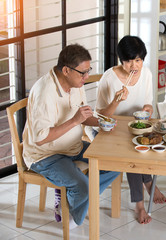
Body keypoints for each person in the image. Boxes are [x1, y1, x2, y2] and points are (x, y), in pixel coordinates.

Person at [22, 44, 125, 228]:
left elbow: (83, 117)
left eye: (88, 71)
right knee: (83, 186)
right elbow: (41, 138)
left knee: (115, 163)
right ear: (66, 70)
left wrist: (101, 123)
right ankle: (72, 215)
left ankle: (73, 197)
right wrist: (75, 121)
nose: (86, 77)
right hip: (45, 156)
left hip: (73, 147)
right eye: (83, 73)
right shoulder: (45, 92)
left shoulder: (76, 83)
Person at [94, 35, 166, 224]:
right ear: (121, 60)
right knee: (133, 153)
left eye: (138, 60)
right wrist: (117, 101)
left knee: (148, 141)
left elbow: (147, 103)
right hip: (111, 128)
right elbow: (100, 115)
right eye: (129, 61)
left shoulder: (147, 73)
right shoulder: (109, 78)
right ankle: (140, 203)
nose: (134, 66)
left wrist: (147, 110)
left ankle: (148, 183)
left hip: (135, 126)